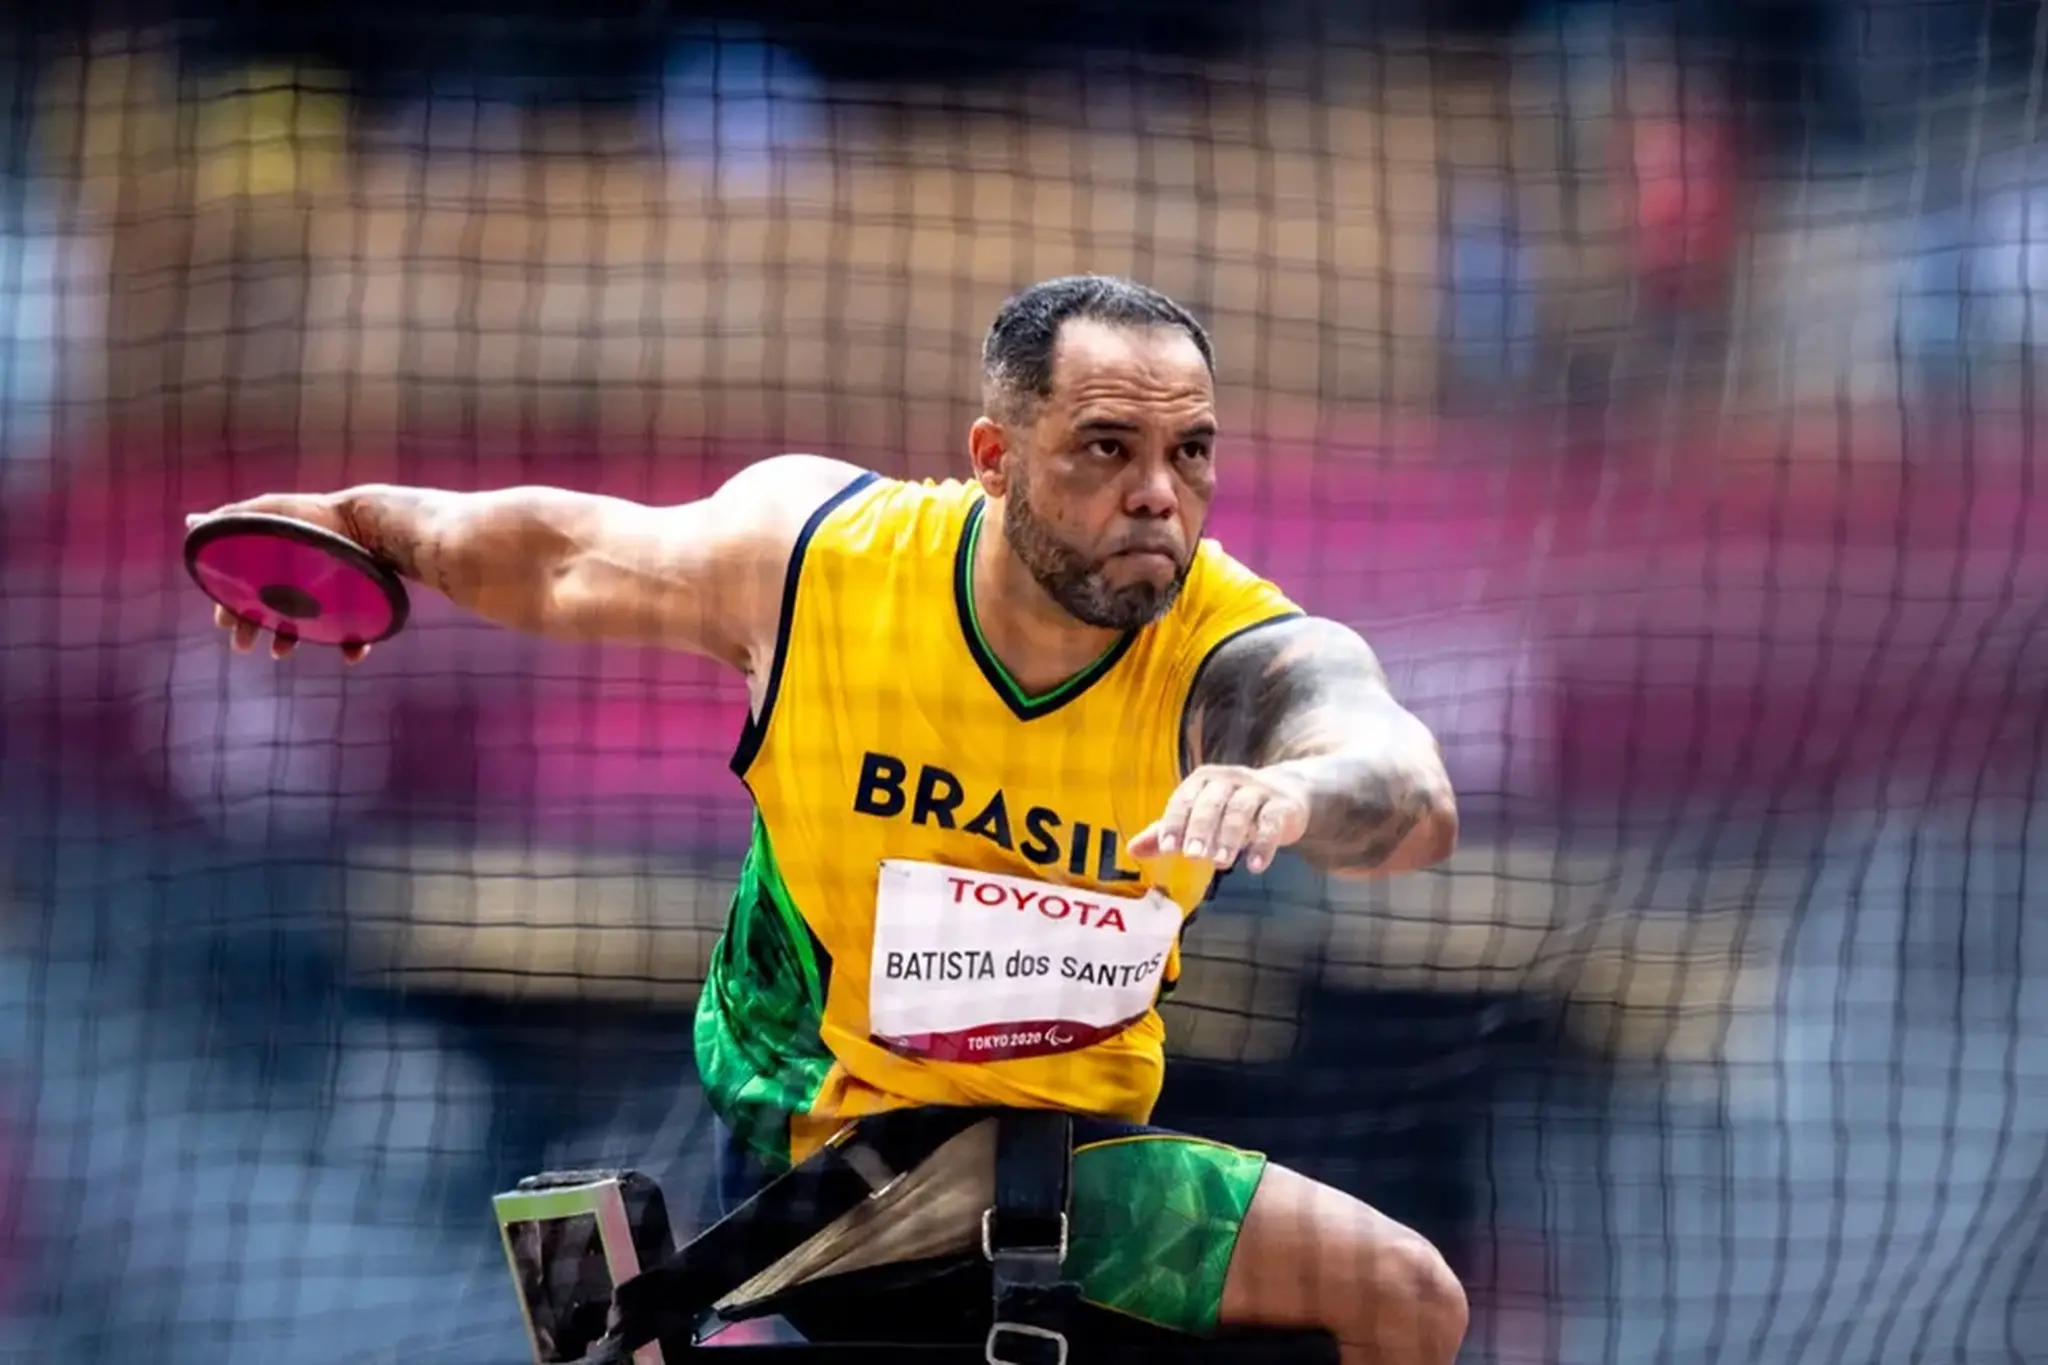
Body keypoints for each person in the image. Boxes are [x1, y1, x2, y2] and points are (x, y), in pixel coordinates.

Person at [193, 274, 1466, 1365]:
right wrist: (367, 523)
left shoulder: (1226, 652)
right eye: (1104, 448)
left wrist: (1296, 790)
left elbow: (1399, 788)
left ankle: (624, 1310)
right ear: (993, 458)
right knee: (1398, 1290)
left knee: (1403, 1302)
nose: (1156, 495)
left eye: (1189, 451)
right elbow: (562, 552)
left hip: (1062, 1175)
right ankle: (642, 1301)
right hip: (822, 1156)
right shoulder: (817, 562)